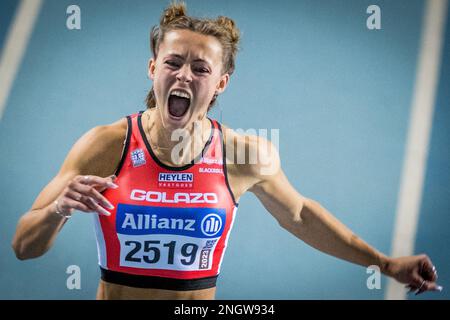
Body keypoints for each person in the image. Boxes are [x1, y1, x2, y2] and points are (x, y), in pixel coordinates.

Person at [12, 2, 441, 300]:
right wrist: (58, 210)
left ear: (220, 84)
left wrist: (385, 264)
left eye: (201, 69)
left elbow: (300, 215)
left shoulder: (242, 153)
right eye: (172, 62)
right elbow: (23, 247)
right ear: (152, 69)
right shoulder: (108, 144)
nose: (184, 75)